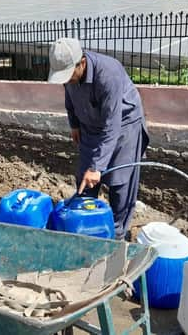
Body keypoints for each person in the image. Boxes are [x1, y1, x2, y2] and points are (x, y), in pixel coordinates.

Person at [48, 38, 149, 240]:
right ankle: (86, 229)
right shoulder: (70, 77)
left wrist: (97, 168)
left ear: (82, 63)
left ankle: (118, 235)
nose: (67, 81)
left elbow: (112, 125)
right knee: (85, 180)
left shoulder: (108, 74)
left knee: (120, 183)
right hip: (89, 126)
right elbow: (69, 97)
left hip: (124, 127)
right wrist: (74, 124)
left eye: (68, 75)